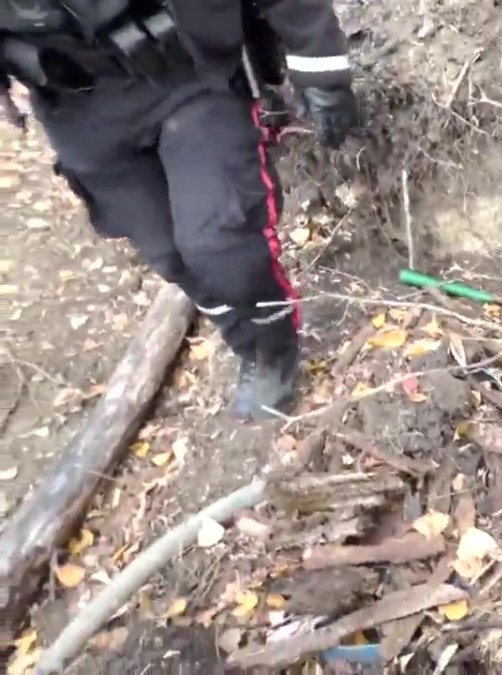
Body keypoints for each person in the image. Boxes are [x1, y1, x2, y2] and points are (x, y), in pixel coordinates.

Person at [0, 0, 360, 421]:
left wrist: (322, 70)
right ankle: (248, 346)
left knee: (221, 244)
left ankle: (275, 347)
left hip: (188, 74)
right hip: (78, 109)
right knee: (169, 254)